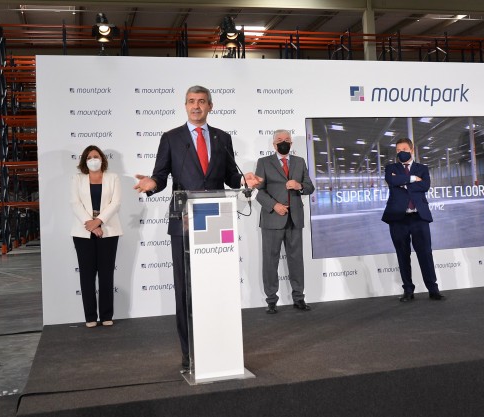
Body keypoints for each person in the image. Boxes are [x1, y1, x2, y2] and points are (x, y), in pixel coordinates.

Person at [133, 85, 262, 372]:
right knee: (186, 290)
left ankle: (219, 345)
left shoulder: (222, 137)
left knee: (217, 287)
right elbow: (160, 175)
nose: (196, 106)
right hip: (184, 223)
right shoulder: (171, 138)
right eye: (191, 101)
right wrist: (151, 185)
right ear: (185, 105)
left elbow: (231, 176)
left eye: (201, 101)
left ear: (210, 106)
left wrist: (245, 181)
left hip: (217, 223)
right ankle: (189, 351)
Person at [254, 130, 315, 314]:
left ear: (291, 143)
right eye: (280, 140)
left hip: (295, 219)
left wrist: (300, 186)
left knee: (296, 260)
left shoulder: (299, 162)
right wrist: (274, 206)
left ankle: (299, 298)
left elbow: (310, 187)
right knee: (270, 261)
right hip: (273, 218)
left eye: (287, 140)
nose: (284, 143)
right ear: (273, 144)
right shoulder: (263, 163)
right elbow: (259, 191)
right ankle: (271, 300)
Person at [381, 138, 444, 302]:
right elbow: (391, 181)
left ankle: (433, 289)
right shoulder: (391, 168)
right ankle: (408, 290)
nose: (400, 152)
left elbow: (425, 186)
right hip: (398, 218)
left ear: (411, 149)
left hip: (419, 217)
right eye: (398, 150)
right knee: (403, 255)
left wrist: (402, 182)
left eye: (404, 148)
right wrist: (411, 179)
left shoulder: (422, 168)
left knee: (425, 254)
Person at [70, 145, 123, 328]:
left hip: (108, 231)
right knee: (87, 275)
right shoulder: (77, 179)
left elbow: (115, 203)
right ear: (85, 161)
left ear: (102, 159)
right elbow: (75, 204)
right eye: (90, 157)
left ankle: (107, 315)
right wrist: (91, 225)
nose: (93, 159)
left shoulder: (113, 178)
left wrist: (98, 221)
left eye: (96, 156)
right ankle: (90, 317)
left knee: (106, 274)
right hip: (83, 233)